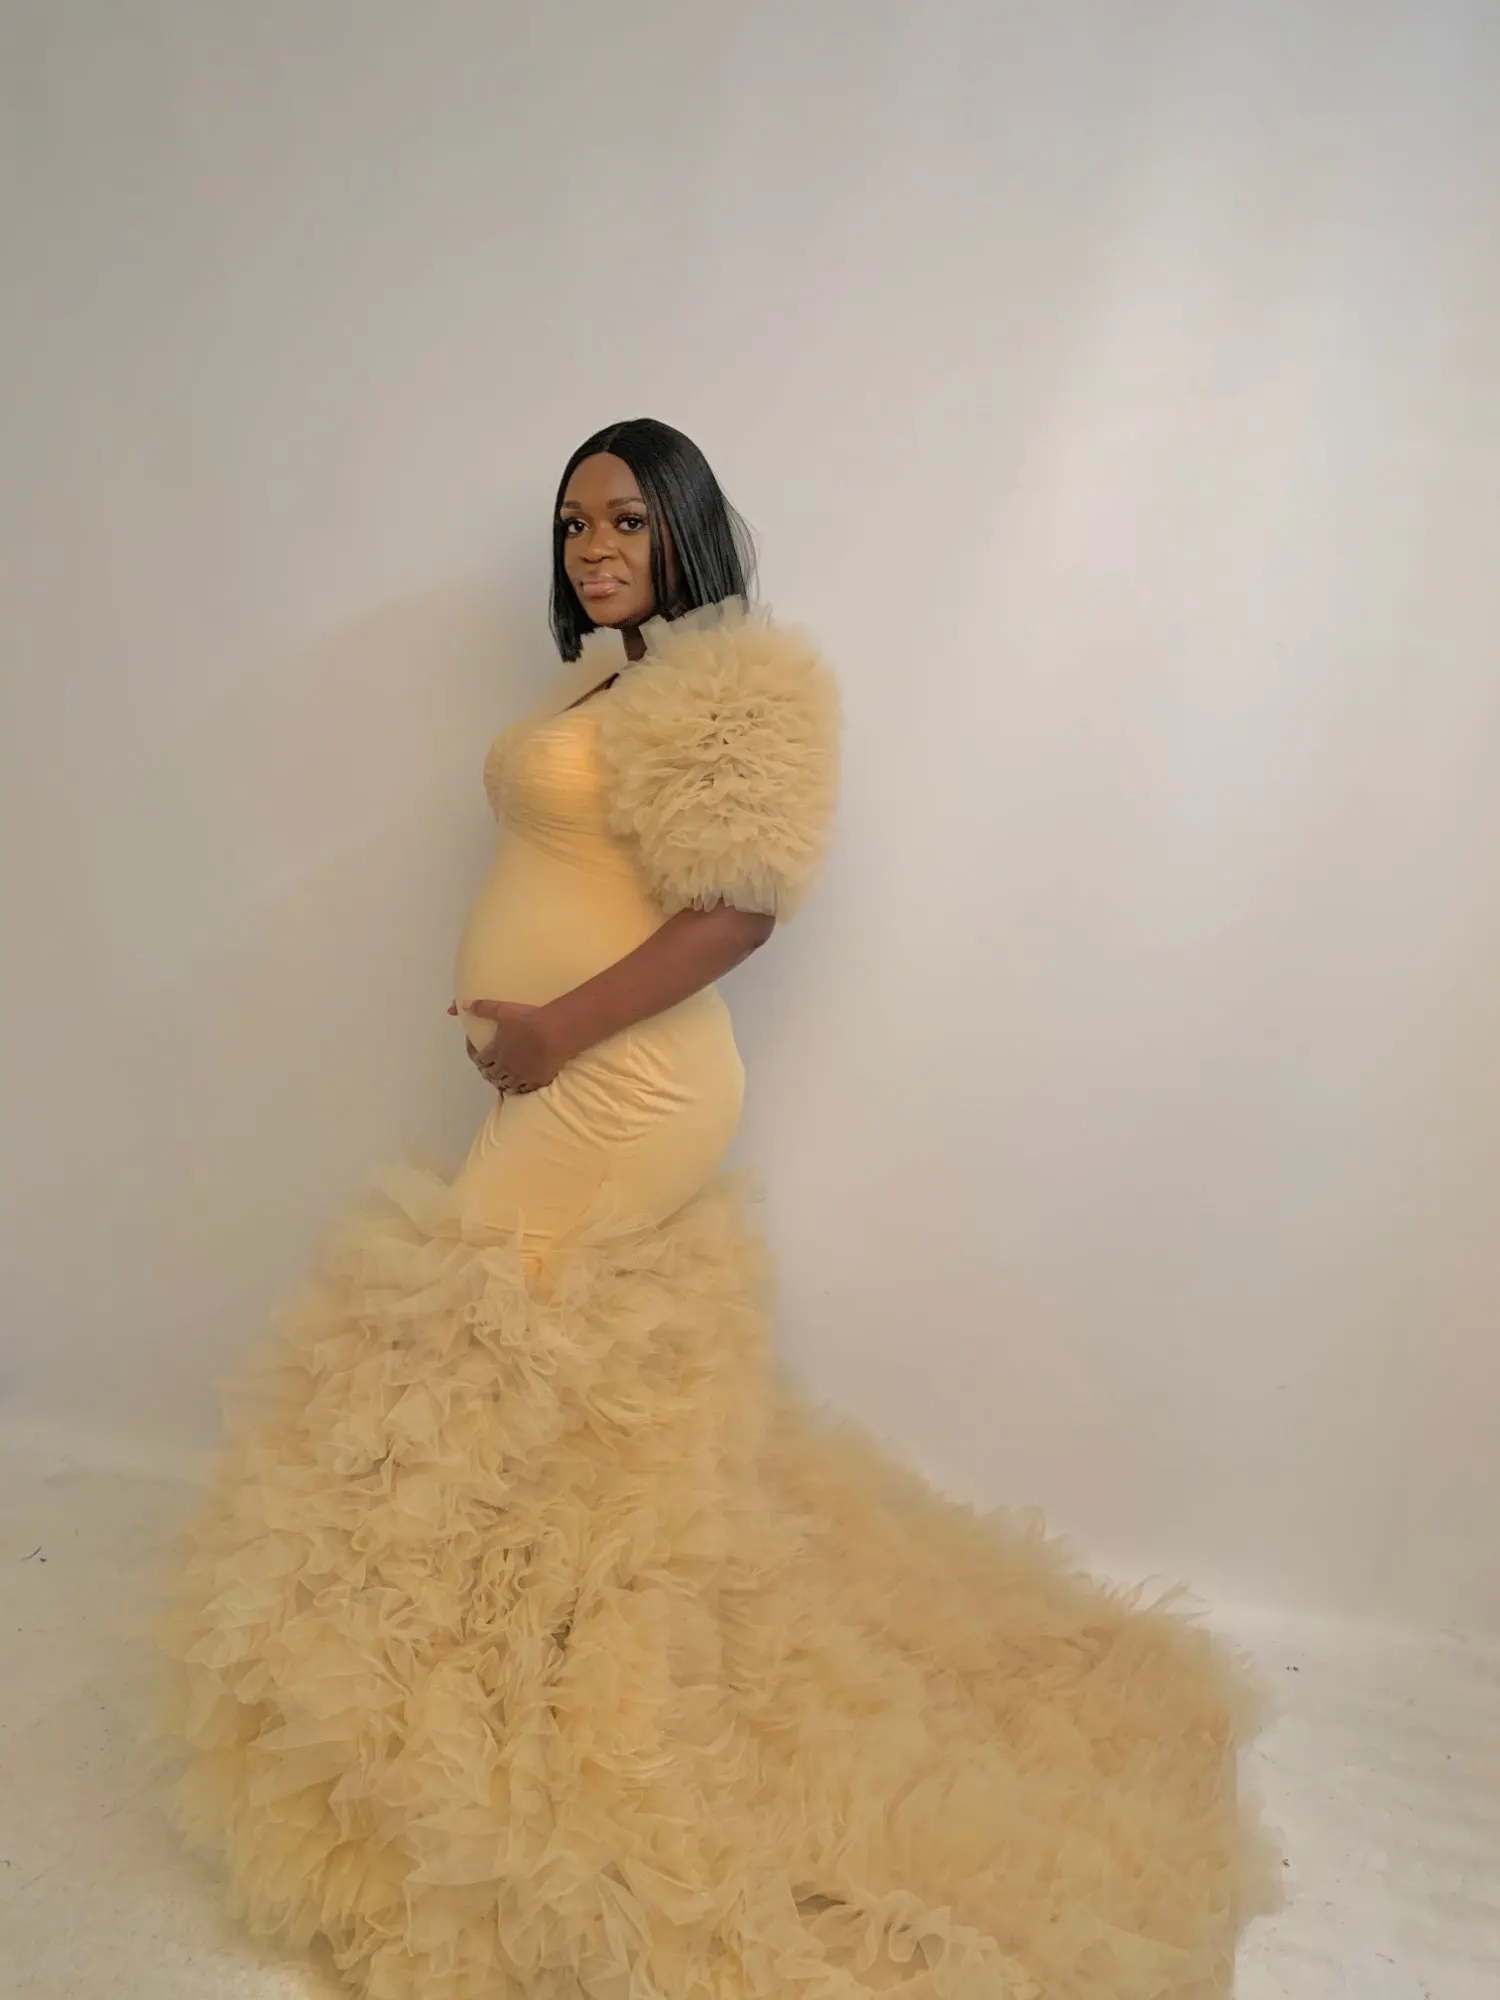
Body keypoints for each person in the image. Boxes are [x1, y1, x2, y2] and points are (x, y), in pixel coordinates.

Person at [161, 419, 1272, 2000]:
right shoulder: (600, 685)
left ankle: (521, 1686)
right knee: (529, 1376)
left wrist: (554, 1032)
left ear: (686, 524)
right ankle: (542, 1639)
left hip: (629, 1085)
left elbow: (738, 911)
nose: (593, 547)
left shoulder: (736, 685)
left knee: (463, 1345)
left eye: (625, 518)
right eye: (573, 525)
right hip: (561, 1080)